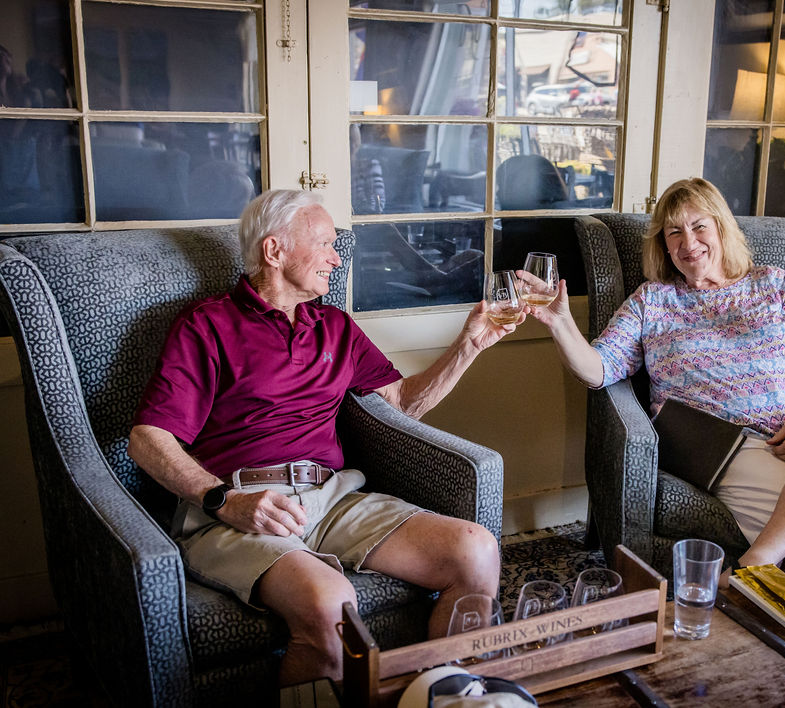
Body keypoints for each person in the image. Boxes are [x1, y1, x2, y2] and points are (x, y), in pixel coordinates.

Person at [128, 189, 522, 687]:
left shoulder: (334, 326)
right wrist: (222, 499)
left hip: (333, 495)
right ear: (275, 251)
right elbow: (147, 438)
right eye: (325, 244)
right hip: (241, 509)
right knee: (330, 602)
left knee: (476, 550)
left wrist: (469, 344)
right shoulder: (207, 326)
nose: (338, 258)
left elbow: (402, 405)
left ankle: (445, 696)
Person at [523, 177, 785, 574]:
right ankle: (769, 585)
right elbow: (598, 369)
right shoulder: (653, 301)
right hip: (732, 444)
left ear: (722, 227)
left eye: (699, 226)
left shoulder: (774, 283)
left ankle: (756, 560)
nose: (688, 243)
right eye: (674, 232)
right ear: (664, 245)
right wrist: (560, 322)